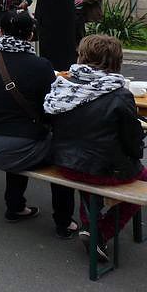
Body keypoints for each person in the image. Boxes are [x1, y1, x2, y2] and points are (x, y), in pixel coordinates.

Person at [0, 11, 76, 237]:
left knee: (20, 133)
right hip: (14, 147)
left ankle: (16, 206)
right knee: (60, 152)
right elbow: (53, 107)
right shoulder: (40, 66)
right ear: (31, 35)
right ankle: (64, 222)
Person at [44, 35, 146, 263]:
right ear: (116, 61)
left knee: (92, 167)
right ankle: (101, 232)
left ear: (82, 56)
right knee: (142, 179)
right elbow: (132, 142)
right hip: (97, 169)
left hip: (64, 164)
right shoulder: (120, 94)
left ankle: (89, 223)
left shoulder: (64, 85)